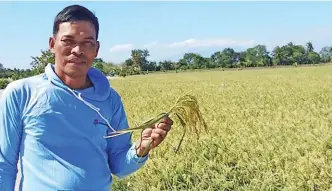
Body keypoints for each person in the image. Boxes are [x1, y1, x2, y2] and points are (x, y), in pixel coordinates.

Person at [0, 4, 173, 191]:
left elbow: (120, 166)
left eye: (87, 42)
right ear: (52, 44)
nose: (77, 50)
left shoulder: (110, 99)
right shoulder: (21, 93)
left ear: (96, 49)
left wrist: (141, 147)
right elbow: (4, 164)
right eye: (68, 40)